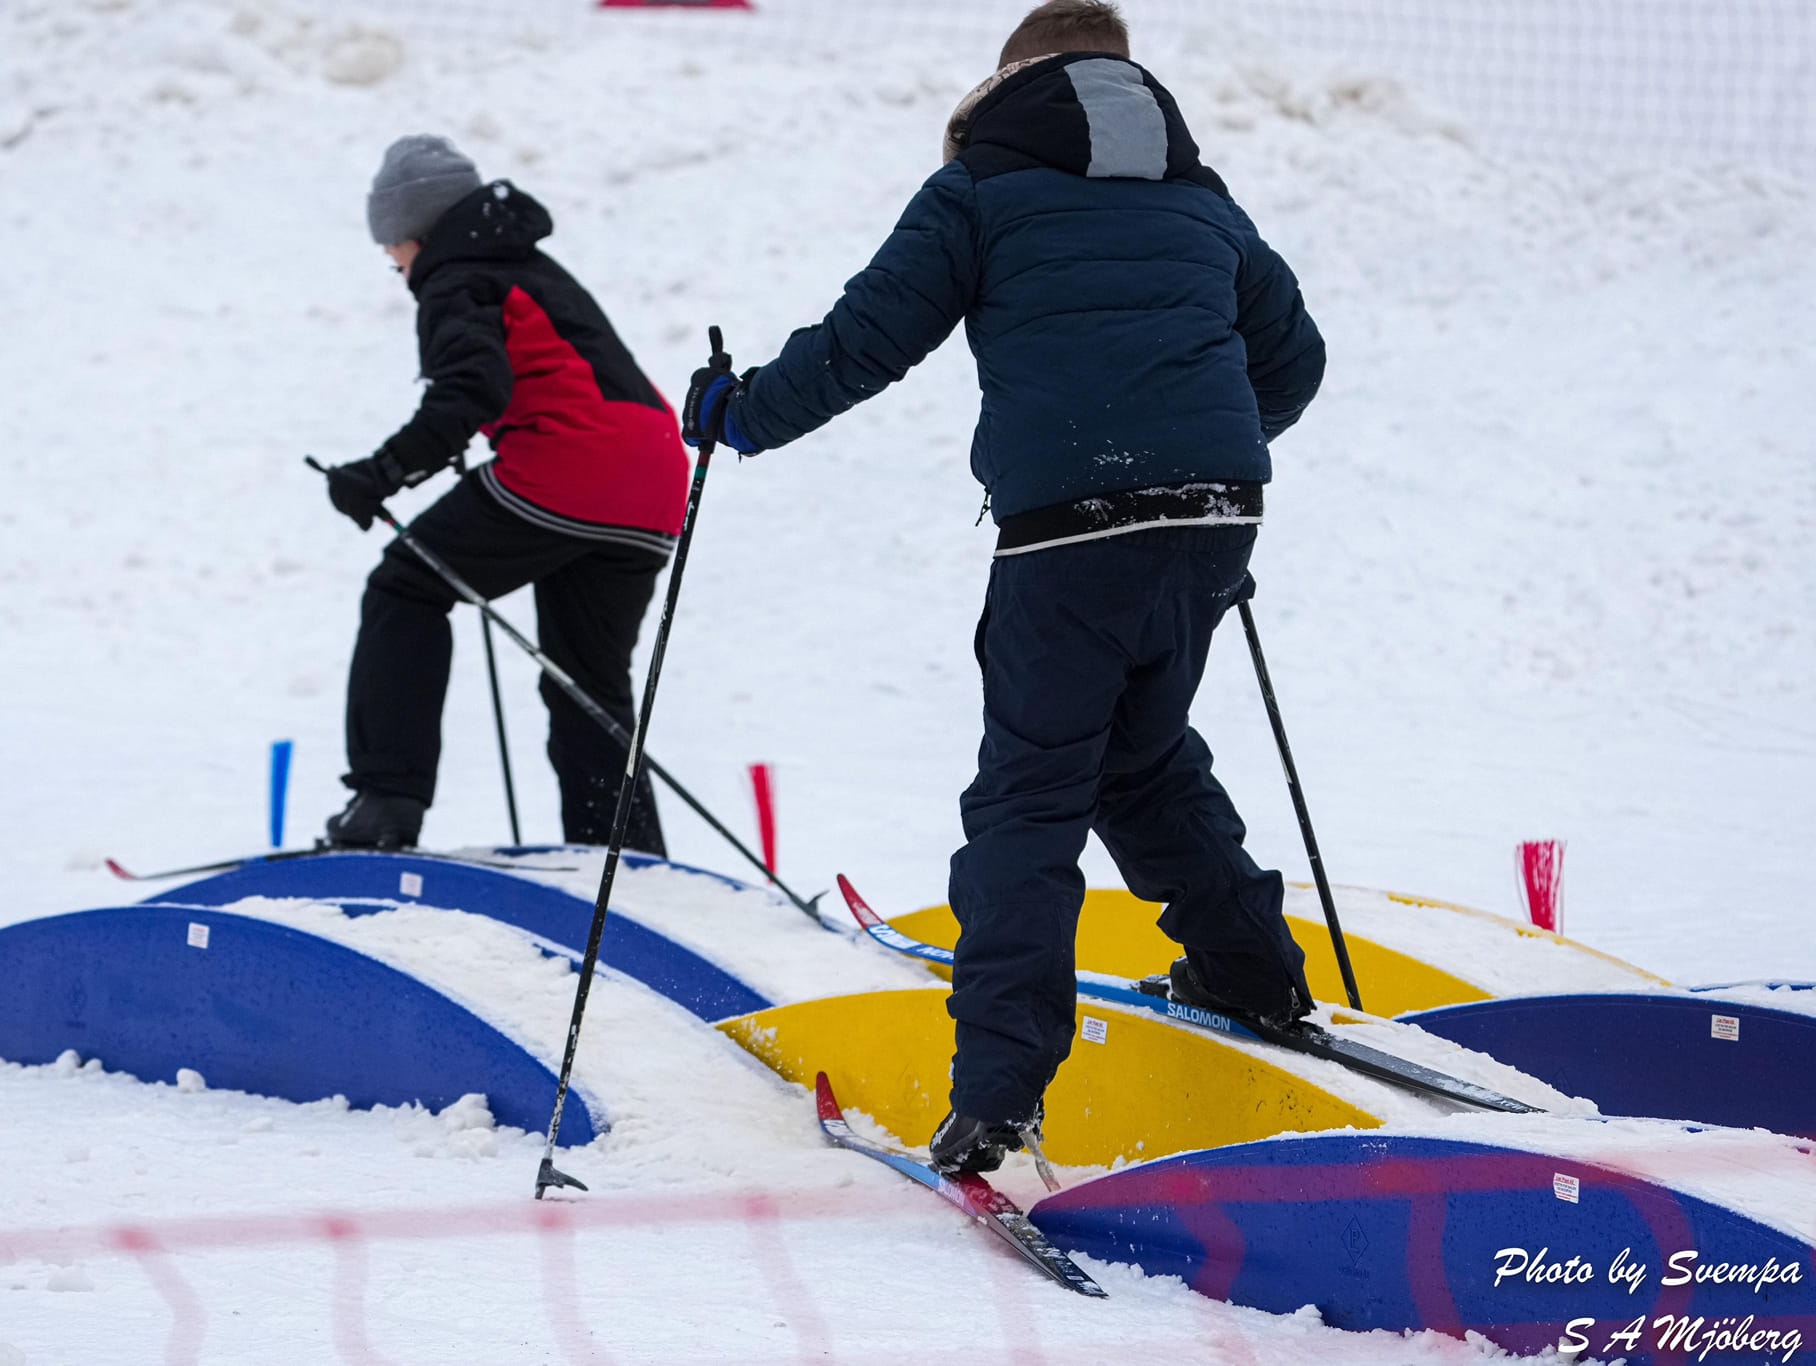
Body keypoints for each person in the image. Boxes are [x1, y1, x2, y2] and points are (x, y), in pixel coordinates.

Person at [683, 0, 1326, 1172]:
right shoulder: (1199, 199)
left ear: (1003, 84)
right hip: (1214, 512)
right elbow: (1293, 359)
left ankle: (997, 1091)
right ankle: (1251, 977)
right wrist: (1195, 451)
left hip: (1067, 533)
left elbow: (865, 340)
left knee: (1030, 794)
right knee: (1138, 756)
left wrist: (741, 415)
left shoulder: (979, 187)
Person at [318, 135, 686, 855]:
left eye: (392, 250)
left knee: (404, 588)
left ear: (414, 231)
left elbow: (471, 389)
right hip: (654, 479)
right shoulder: (528, 266)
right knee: (587, 682)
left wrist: (381, 472)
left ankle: (385, 805)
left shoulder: (455, 278)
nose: (395, 265)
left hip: (569, 466)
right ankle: (626, 857)